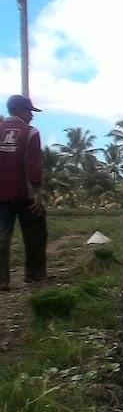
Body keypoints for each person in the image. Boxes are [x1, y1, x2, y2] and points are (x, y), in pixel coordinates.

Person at [0, 95, 46, 291]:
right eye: (29, 112)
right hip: (25, 195)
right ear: (20, 110)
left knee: (2, 237)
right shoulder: (31, 133)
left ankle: (2, 280)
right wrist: (37, 192)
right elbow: (33, 164)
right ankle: (34, 275)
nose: (31, 116)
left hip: (1, 196)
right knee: (36, 233)